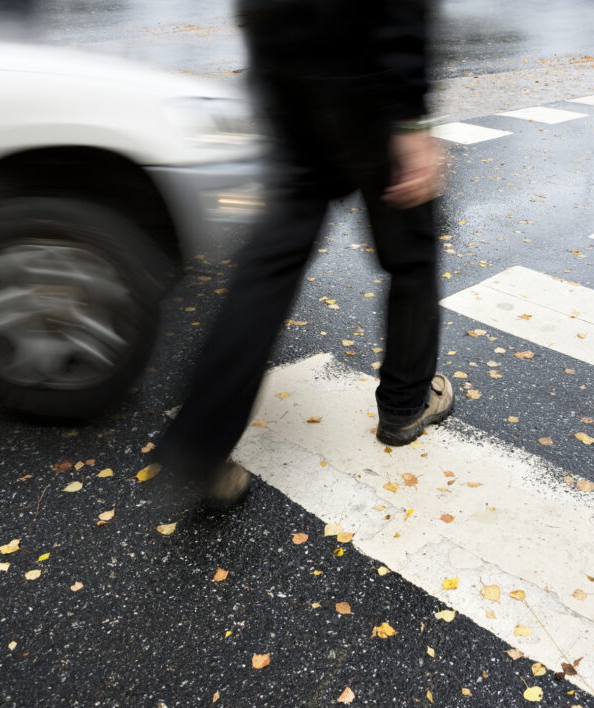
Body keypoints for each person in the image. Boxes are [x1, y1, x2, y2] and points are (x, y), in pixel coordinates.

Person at [157, 0, 452, 507]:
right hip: (365, 74)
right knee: (412, 254)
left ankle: (200, 443)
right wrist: (409, 120)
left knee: (269, 266)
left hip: (286, 72)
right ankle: (405, 405)